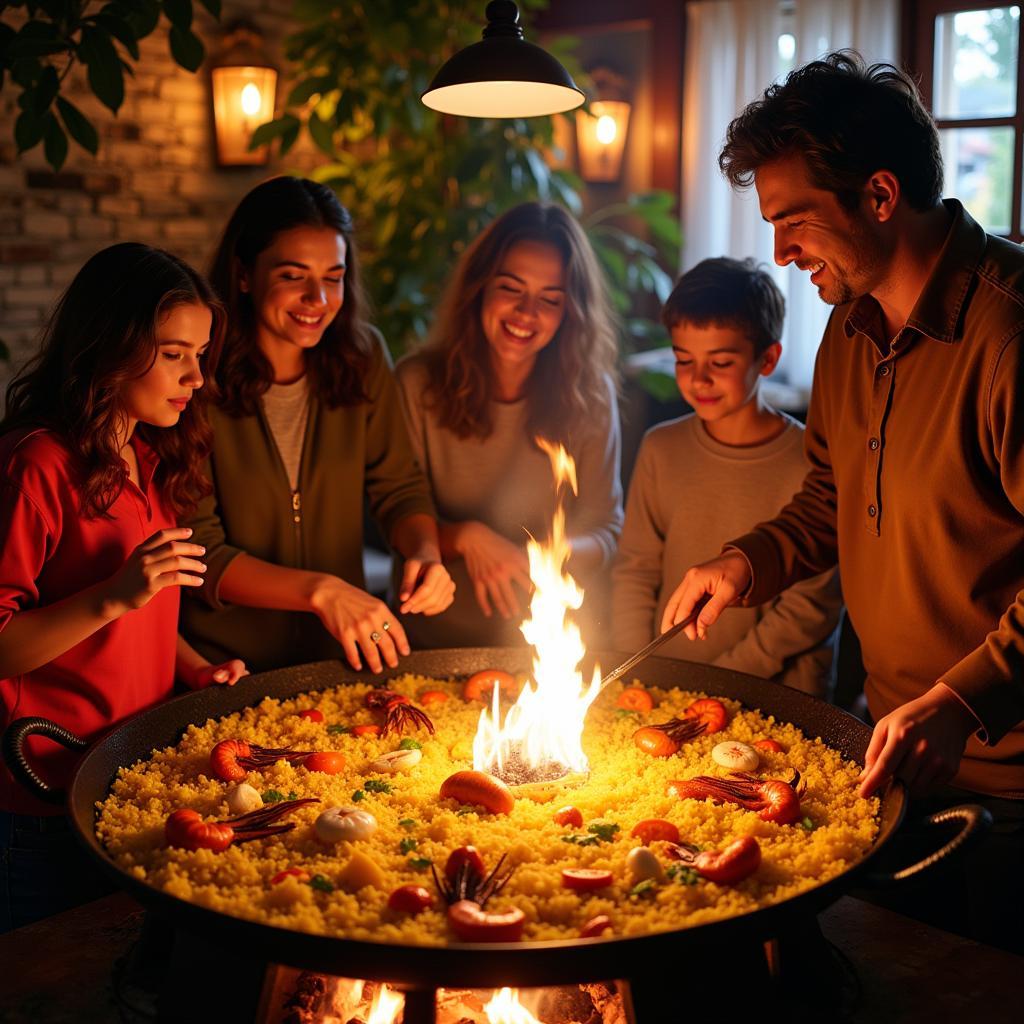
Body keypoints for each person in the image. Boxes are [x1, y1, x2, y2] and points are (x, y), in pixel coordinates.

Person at [660, 51, 1024, 951]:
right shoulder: (847, 325)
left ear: (880, 195)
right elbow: (831, 495)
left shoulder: (1010, 334)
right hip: (891, 753)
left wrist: (962, 701)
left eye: (794, 221)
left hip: (1010, 784)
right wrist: (746, 562)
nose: (780, 251)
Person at [0, 243, 247, 931]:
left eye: (199, 354)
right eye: (174, 354)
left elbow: (142, 615)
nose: (196, 376)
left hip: (131, 775)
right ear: (109, 348)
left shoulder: (144, 455)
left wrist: (196, 669)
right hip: (41, 790)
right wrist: (113, 594)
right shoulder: (35, 465)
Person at [181, 177, 454, 675]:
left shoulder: (362, 355)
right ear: (244, 274)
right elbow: (199, 550)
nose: (318, 298)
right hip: (225, 665)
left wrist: (425, 553)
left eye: (334, 276)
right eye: (292, 275)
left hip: (334, 658)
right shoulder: (196, 374)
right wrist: (320, 591)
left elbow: (399, 486)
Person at [394, 202, 623, 648]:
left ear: (570, 312)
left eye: (550, 299)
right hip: (430, 641)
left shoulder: (590, 394)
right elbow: (394, 517)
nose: (526, 311)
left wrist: (536, 559)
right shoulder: (417, 383)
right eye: (510, 288)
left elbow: (606, 531)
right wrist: (466, 538)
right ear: (479, 288)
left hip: (550, 651)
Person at [612, 257, 841, 695]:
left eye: (720, 362)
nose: (698, 379)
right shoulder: (661, 448)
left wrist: (722, 683)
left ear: (768, 358)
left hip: (776, 693)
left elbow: (811, 606)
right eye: (684, 360)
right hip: (667, 685)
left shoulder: (815, 461)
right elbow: (635, 572)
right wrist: (635, 669)